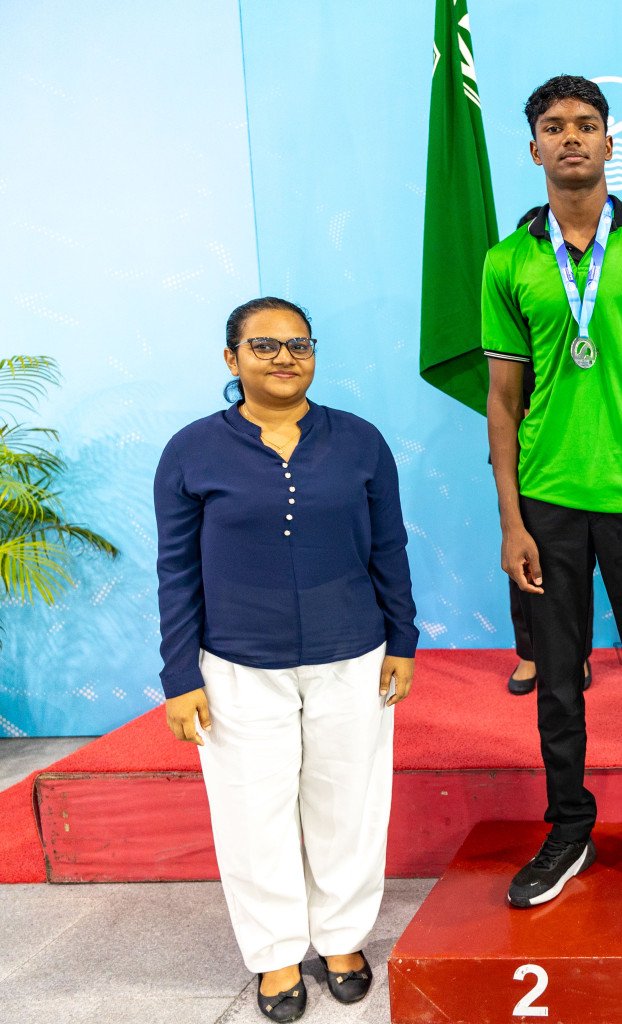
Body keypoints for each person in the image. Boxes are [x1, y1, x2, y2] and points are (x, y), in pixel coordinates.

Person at [155, 297, 417, 1022]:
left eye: (298, 344)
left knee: (349, 804)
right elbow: (175, 570)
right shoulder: (191, 451)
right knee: (251, 811)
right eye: (264, 346)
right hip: (236, 664)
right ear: (231, 358)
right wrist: (181, 677)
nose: (283, 358)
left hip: (353, 654)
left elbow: (388, 547)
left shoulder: (359, 441)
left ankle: (341, 940)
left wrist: (403, 639)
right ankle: (274, 954)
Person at [483, 76, 622, 918]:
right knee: (558, 684)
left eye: (586, 125)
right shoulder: (509, 260)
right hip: (546, 501)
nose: (570, 137)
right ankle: (570, 826)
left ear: (613, 144)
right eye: (553, 127)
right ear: (533, 148)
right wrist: (511, 519)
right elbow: (503, 402)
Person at [506, 207, 594, 697]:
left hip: (587, 449)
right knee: (526, 559)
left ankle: (575, 652)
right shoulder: (511, 288)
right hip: (527, 448)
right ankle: (529, 654)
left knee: (572, 571)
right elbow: (502, 392)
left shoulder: (587, 298)